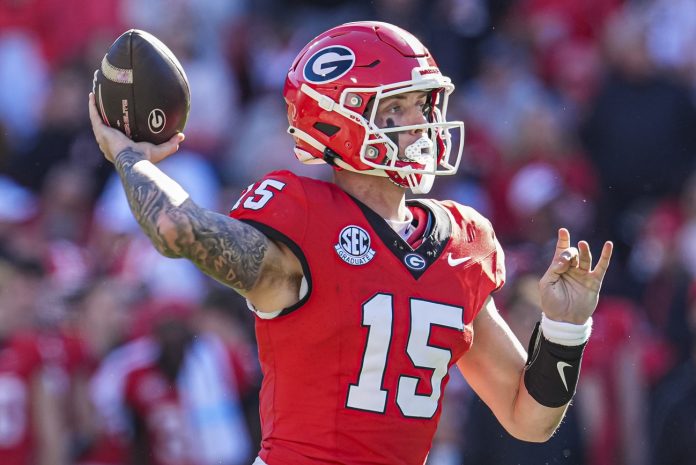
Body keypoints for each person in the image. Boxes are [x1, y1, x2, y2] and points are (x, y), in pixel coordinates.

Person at [88, 21, 613, 465]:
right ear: (339, 120)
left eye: (424, 105)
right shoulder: (303, 215)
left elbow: (530, 419)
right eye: (397, 109)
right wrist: (129, 158)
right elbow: (178, 228)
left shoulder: (462, 239)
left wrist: (566, 328)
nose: (423, 126)